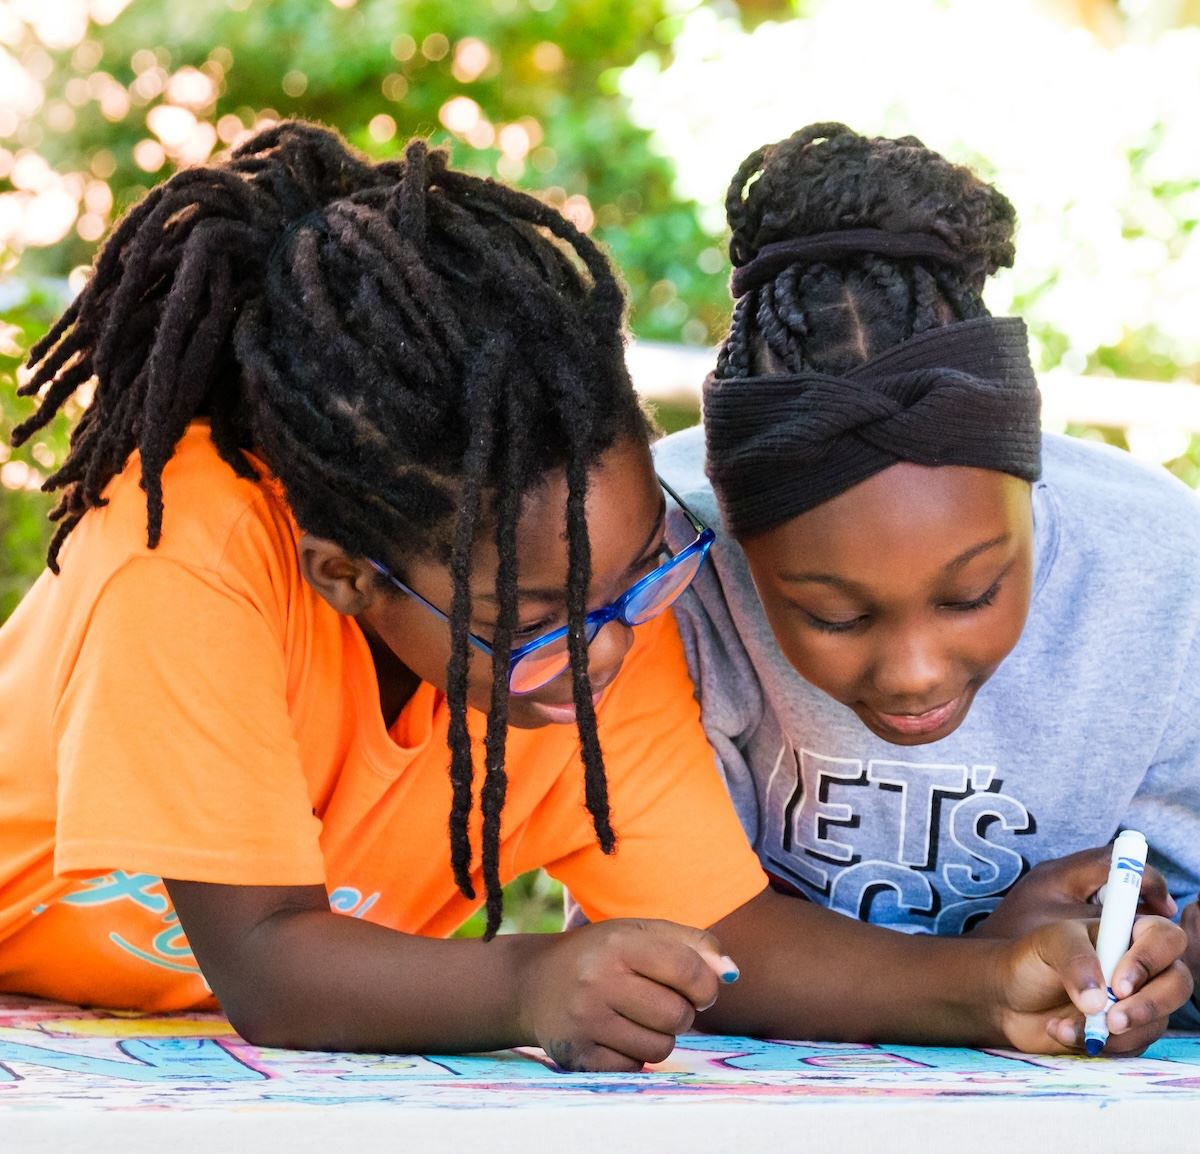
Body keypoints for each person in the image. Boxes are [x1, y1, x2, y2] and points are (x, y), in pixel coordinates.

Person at [0, 122, 1187, 1068]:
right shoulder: (183, 549)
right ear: (347, 574)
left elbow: (729, 930)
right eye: (526, 626)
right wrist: (530, 980)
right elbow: (266, 962)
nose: (609, 651)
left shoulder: (594, 609)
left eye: (639, 579)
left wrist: (988, 985)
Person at [655, 122, 1200, 1028]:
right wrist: (984, 970)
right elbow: (670, 934)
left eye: (972, 594)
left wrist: (1154, 965)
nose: (914, 671)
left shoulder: (1166, 573)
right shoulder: (664, 567)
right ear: (739, 537)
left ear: (1030, 491)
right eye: (831, 615)